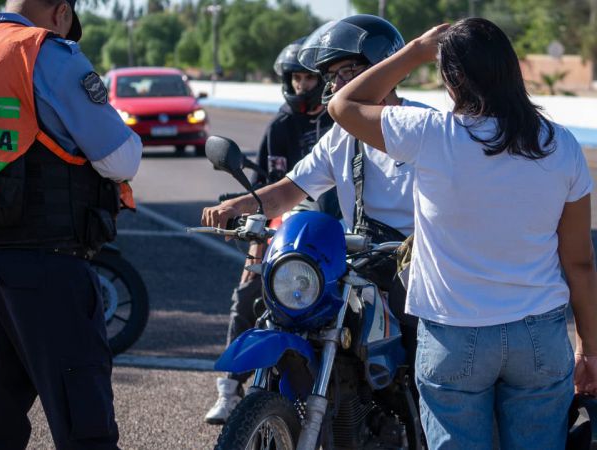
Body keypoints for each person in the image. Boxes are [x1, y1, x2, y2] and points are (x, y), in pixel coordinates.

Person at [327, 17, 597, 450]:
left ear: (451, 79)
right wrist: (590, 348)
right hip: (539, 337)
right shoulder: (561, 145)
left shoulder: (430, 134)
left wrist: (416, 49)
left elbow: (343, 105)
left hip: (453, 334)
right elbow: (579, 262)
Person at [0, 0, 142, 448]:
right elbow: (121, 158)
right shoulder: (48, 54)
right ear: (61, 11)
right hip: (44, 264)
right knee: (85, 429)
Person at [202, 14, 428, 410]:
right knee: (295, 314)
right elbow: (289, 191)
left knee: (426, 371)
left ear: (383, 69)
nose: (337, 85)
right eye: (332, 76)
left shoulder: (427, 126)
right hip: (363, 265)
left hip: (420, 273)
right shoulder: (341, 137)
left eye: (348, 71)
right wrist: (235, 206)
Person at [204, 36, 338, 425]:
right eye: (295, 78)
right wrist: (254, 248)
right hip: (287, 233)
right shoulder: (280, 125)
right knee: (247, 292)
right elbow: (266, 187)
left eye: (308, 78)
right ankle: (230, 390)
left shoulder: (340, 123)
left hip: (335, 236)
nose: (302, 86)